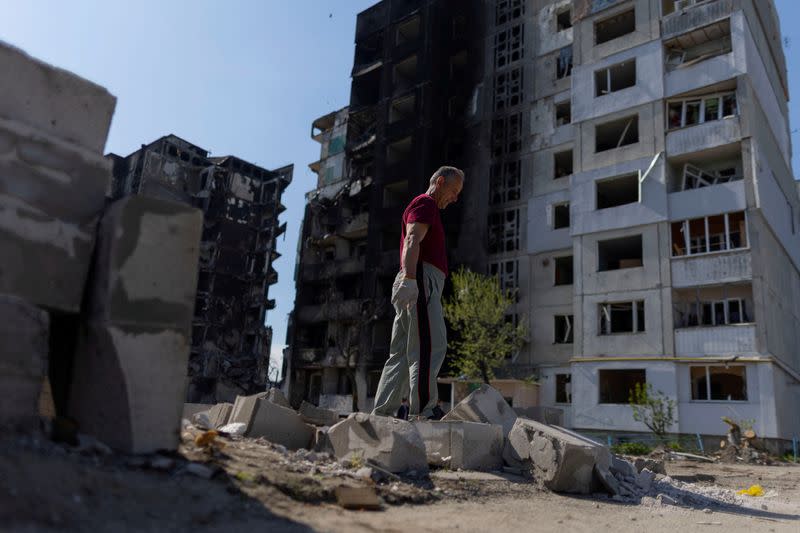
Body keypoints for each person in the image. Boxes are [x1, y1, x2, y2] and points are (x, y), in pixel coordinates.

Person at [371, 166, 464, 419]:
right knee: (430, 344)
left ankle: (382, 413)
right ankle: (424, 409)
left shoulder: (425, 206)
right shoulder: (426, 203)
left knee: (400, 353)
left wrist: (408, 279)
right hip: (420, 279)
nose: (455, 198)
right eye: (454, 191)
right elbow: (413, 239)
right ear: (440, 182)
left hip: (414, 279)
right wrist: (412, 279)